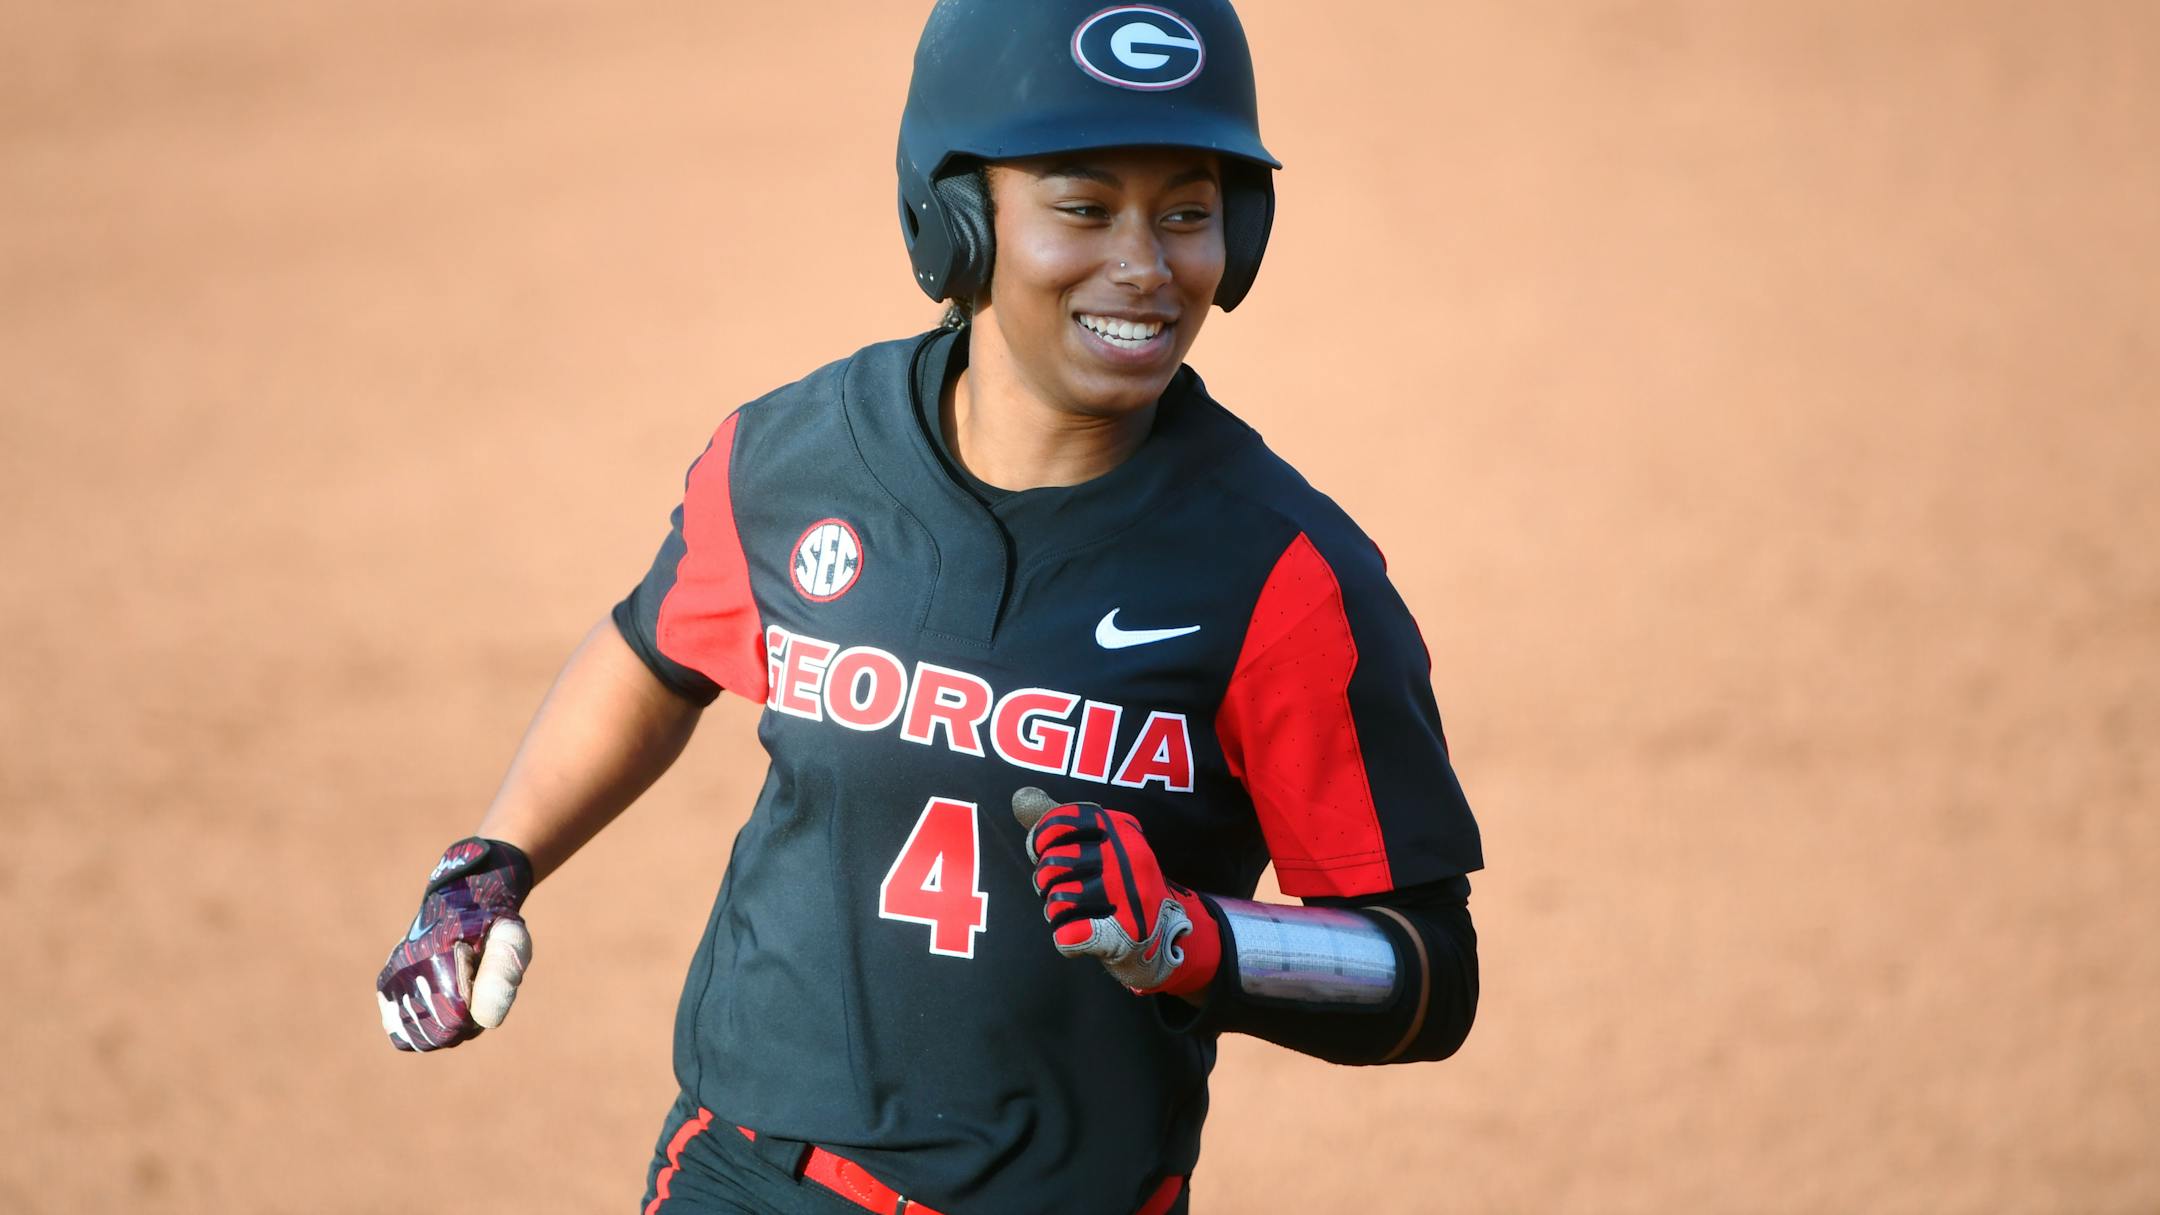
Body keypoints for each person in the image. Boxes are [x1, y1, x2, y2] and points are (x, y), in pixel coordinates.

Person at [374, 2, 1484, 1212]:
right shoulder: (794, 459)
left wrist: (1190, 941)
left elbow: (1426, 972)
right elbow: (654, 649)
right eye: (1082, 206)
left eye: (1187, 211)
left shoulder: (1285, 576)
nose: (1146, 267)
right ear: (957, 221)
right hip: (747, 1177)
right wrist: (486, 870)